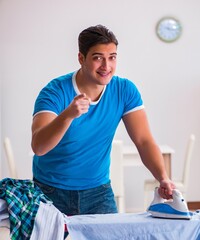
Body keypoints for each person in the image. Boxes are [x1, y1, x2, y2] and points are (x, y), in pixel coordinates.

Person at [31, 24, 175, 218]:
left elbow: (144, 141)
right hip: (50, 191)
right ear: (81, 58)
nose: (106, 66)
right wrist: (68, 115)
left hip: (98, 192)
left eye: (112, 57)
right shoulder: (54, 92)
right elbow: (39, 146)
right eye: (98, 58)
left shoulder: (124, 91)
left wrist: (163, 178)